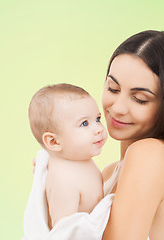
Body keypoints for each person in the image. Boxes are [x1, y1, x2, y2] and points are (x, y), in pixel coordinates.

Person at [100, 30, 164, 240]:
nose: (118, 108)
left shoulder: (150, 154)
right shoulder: (108, 173)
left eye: (139, 99)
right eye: (113, 88)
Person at [27, 83, 108, 229]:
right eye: (84, 123)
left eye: (97, 119)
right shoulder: (64, 181)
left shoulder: (79, 160)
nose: (98, 129)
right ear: (53, 141)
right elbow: (64, 232)